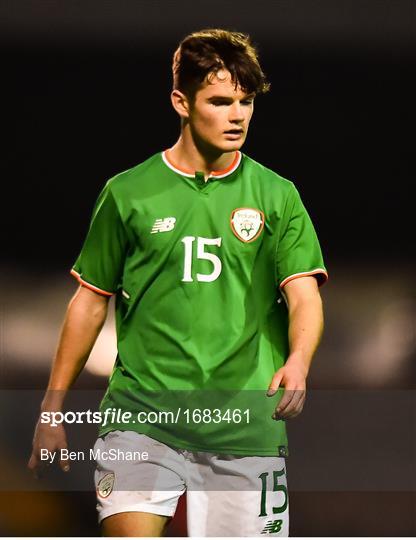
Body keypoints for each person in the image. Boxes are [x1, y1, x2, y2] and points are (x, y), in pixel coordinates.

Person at [28, 29, 327, 537]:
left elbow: (304, 296)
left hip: (243, 426)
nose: (238, 115)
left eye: (245, 101)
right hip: (142, 418)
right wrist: (52, 407)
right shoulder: (128, 194)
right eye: (220, 101)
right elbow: (89, 301)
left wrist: (298, 361)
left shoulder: (277, 196)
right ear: (180, 102)